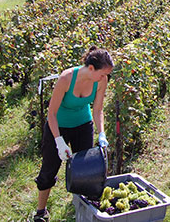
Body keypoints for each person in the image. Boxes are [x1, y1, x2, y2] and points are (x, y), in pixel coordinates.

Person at [33, 47, 114, 222]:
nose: (104, 78)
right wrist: (59, 142)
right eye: (102, 74)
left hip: (83, 125)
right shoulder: (66, 79)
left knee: (85, 170)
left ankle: (81, 208)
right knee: (49, 169)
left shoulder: (101, 80)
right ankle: (41, 212)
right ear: (91, 68)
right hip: (59, 126)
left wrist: (101, 134)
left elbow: (98, 109)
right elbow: (51, 114)